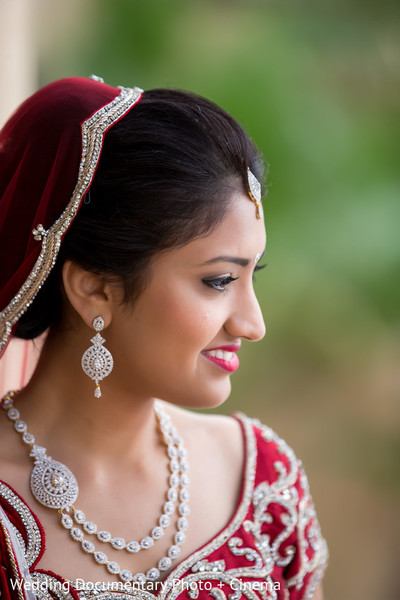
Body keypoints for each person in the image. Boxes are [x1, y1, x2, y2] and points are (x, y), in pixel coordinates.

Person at [0, 76, 327, 600]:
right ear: (95, 289)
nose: (253, 324)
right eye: (219, 281)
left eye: (252, 277)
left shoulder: (264, 480)